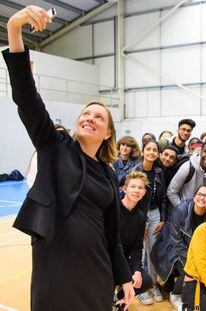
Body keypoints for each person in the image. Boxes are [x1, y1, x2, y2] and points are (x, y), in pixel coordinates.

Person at [3, 6, 134, 310]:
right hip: (56, 264)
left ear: (108, 134)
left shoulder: (108, 173)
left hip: (97, 270)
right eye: (85, 113)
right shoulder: (55, 144)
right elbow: (25, 97)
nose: (89, 117)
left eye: (98, 116)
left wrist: (123, 276)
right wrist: (14, 27)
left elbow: (112, 236)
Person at [151, 185, 206, 309]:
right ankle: (175, 294)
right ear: (194, 197)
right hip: (172, 246)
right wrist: (191, 260)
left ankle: (171, 286)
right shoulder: (181, 210)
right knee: (189, 269)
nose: (202, 198)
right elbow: (175, 239)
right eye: (199, 194)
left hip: (193, 250)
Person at [132, 140, 168, 303]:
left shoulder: (159, 171)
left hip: (155, 213)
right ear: (142, 152)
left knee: (153, 250)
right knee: (140, 251)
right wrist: (139, 222)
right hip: (138, 214)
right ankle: (138, 287)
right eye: (148, 149)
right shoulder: (136, 170)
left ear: (158, 154)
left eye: (155, 150)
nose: (152, 152)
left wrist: (162, 218)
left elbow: (164, 197)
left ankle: (152, 284)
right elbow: (132, 198)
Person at [117, 172, 153, 306]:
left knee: (145, 280)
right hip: (107, 260)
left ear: (144, 192)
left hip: (125, 259)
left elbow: (137, 247)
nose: (137, 190)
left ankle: (119, 300)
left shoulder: (141, 217)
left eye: (140, 188)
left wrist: (137, 270)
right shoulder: (113, 209)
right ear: (125, 189)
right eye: (133, 187)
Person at [167, 140, 206, 207]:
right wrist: (181, 209)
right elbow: (171, 192)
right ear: (201, 152)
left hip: (200, 211)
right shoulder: (187, 167)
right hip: (182, 209)